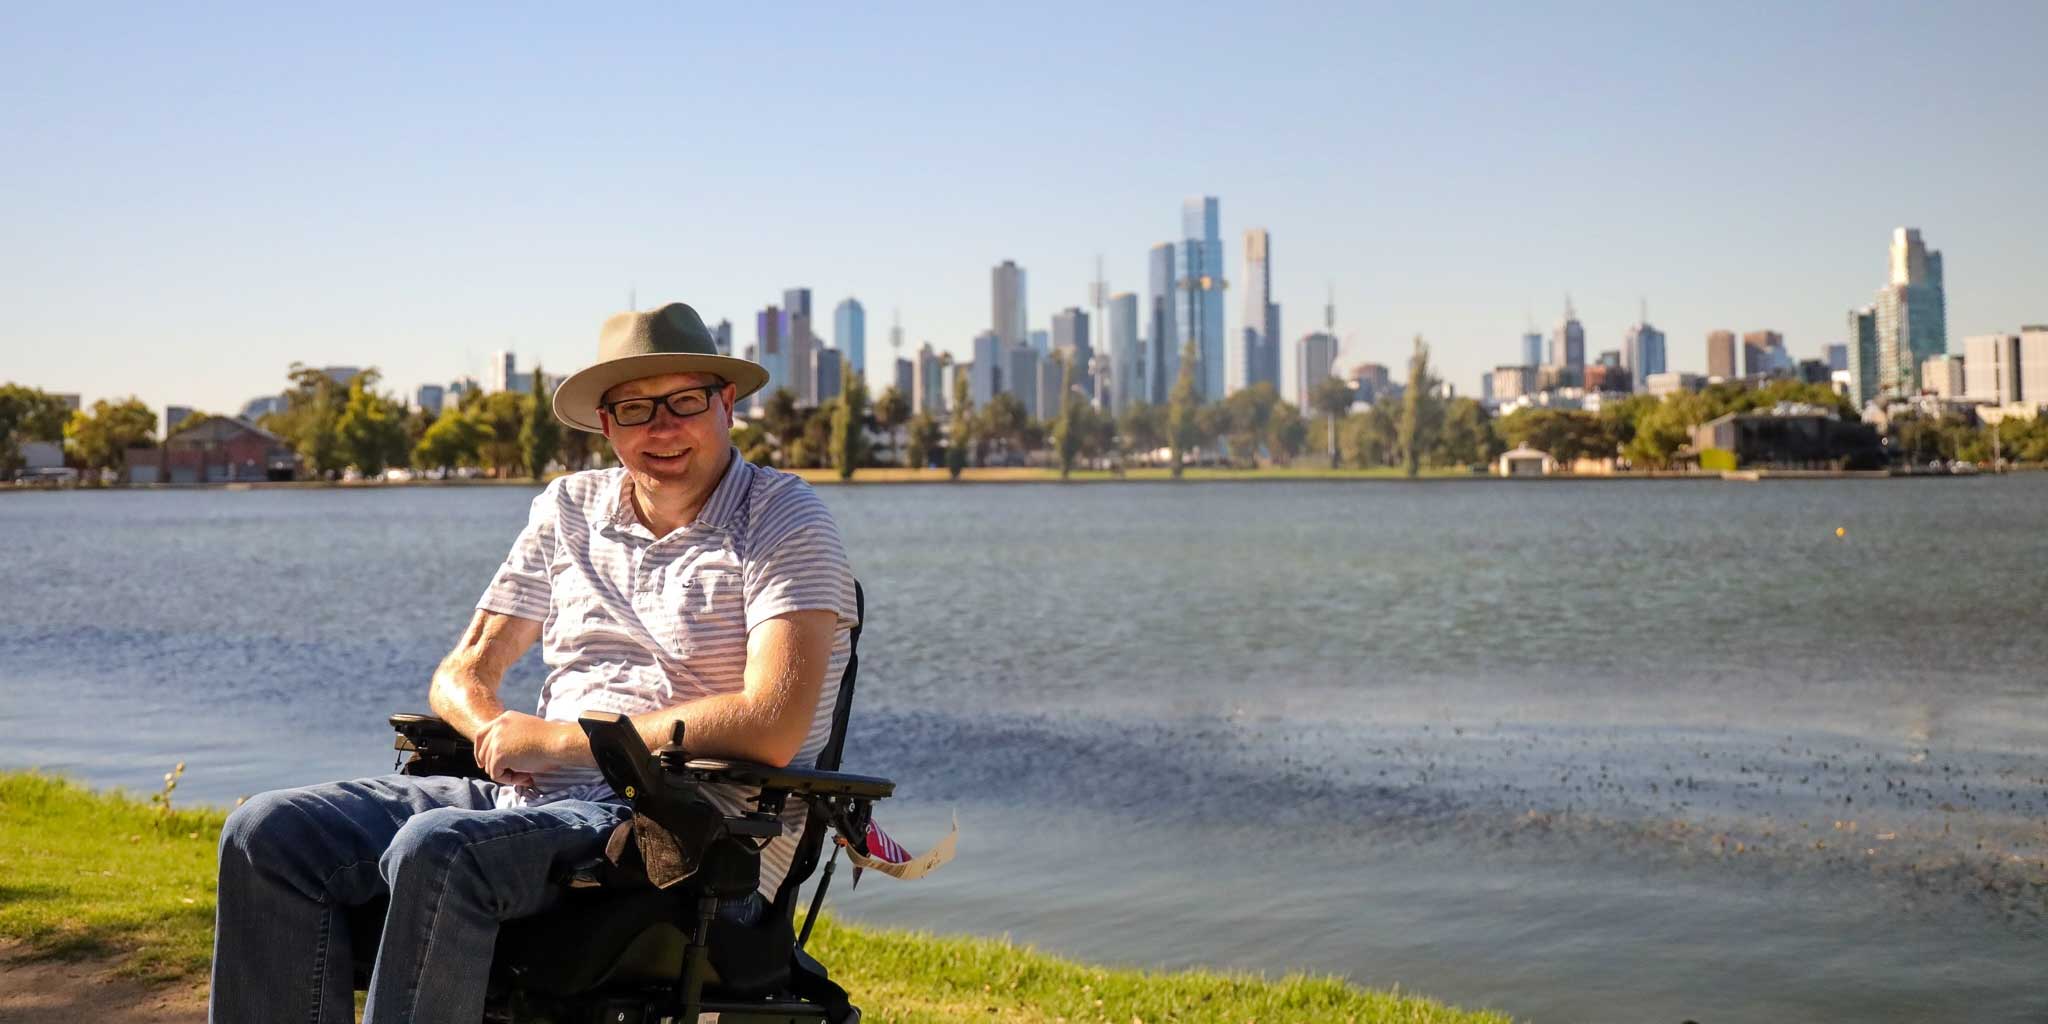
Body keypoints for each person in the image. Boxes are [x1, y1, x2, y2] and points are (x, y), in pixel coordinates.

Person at [210, 302, 857, 1024]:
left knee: (440, 850)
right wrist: (493, 730)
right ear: (606, 425)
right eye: (636, 409)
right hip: (524, 800)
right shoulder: (567, 509)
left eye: (684, 402)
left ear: (726, 404)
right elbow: (462, 673)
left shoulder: (783, 518)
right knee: (266, 833)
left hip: (678, 829)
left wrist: (547, 741)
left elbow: (770, 723)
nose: (663, 428)